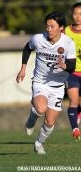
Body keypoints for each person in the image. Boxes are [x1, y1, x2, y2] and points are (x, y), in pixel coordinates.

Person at [16, 11, 76, 154]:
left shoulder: (68, 43)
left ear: (61, 27)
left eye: (52, 26)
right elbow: (27, 48)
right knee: (41, 109)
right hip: (40, 82)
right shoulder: (38, 39)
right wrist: (23, 69)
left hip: (57, 86)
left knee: (50, 122)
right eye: (47, 26)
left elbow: (72, 66)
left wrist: (65, 66)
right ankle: (32, 117)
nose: (48, 29)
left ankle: (39, 143)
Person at [65, 2, 81, 140]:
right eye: (76, 13)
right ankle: (75, 129)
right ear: (72, 14)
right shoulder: (65, 31)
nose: (78, 17)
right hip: (72, 73)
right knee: (73, 100)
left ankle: (79, 114)